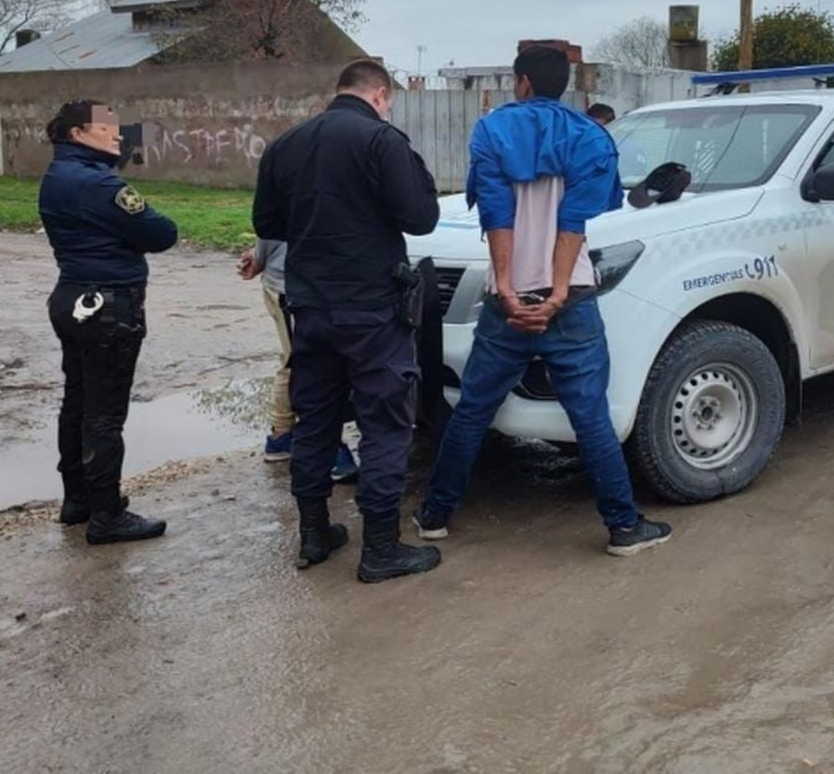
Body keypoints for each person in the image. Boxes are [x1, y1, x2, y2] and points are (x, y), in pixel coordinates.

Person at [414, 45, 673, 557]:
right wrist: (556, 294)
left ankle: (434, 516)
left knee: (472, 411)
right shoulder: (590, 136)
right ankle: (623, 528)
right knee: (590, 417)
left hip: (503, 302)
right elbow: (576, 221)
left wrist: (508, 290)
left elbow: (495, 214)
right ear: (563, 84)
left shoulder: (492, 130)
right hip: (570, 298)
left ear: (523, 82)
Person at [253, 60, 442, 582]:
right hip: (372, 307)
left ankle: (314, 533)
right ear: (379, 94)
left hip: (310, 306)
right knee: (385, 422)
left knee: (315, 420)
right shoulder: (382, 141)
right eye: (390, 101)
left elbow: (266, 224)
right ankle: (380, 547)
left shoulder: (286, 144)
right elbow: (421, 217)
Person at [39, 100, 176, 545]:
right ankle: (106, 515)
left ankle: (77, 499)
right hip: (108, 303)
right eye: (107, 128)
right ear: (78, 133)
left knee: (77, 401)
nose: (117, 135)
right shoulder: (98, 183)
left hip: (72, 296)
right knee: (105, 413)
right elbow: (161, 232)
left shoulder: (57, 175)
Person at [237, 240, 359, 481]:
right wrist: (261, 256)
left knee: (298, 360)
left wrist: (260, 255)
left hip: (317, 282)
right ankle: (320, 445)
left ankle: (283, 436)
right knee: (304, 364)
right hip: (294, 286)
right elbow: (272, 224)